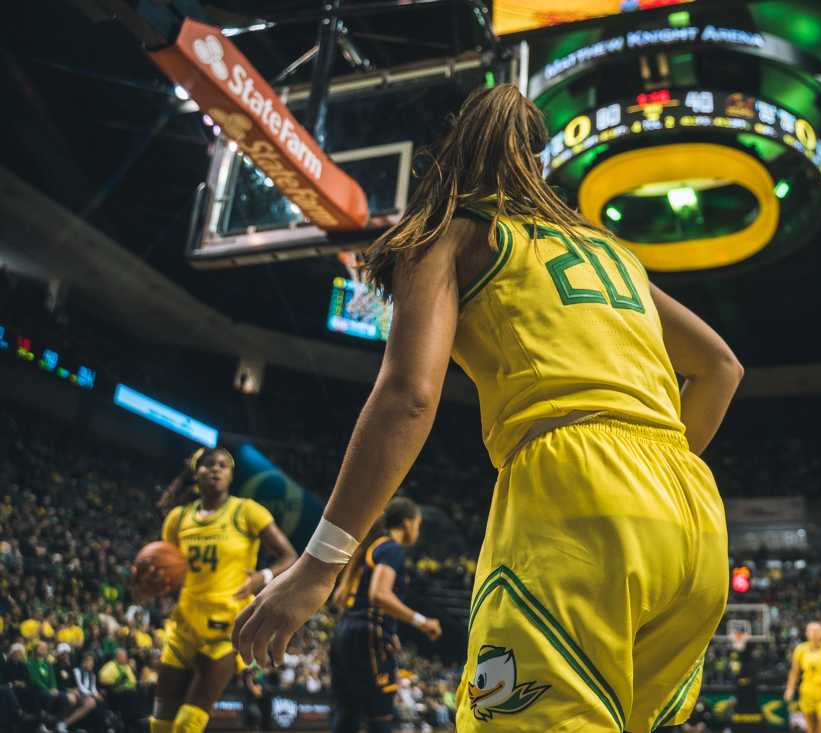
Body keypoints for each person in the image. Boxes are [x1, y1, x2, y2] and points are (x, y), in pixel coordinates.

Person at [233, 83, 742, 733]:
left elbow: (410, 395)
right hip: (691, 513)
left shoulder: (452, 232)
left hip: (580, 489)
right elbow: (721, 367)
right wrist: (650, 476)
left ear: (449, 155)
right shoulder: (615, 254)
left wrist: (318, 564)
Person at [131, 447, 297, 733]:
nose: (216, 469)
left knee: (187, 725)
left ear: (231, 475)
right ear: (197, 473)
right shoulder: (178, 519)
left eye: (223, 465)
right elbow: (167, 572)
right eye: (209, 465)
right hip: (183, 626)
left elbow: (289, 557)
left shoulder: (246, 511)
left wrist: (262, 577)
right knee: (160, 724)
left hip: (225, 629)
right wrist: (149, 586)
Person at [329, 498, 441, 733]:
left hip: (345, 631)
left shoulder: (372, 546)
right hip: (366, 633)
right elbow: (379, 595)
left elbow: (345, 598)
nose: (417, 531)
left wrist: (387, 629)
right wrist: (422, 622)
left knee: (348, 713)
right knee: (379, 716)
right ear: (408, 524)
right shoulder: (392, 548)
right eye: (418, 525)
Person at [784, 622, 821, 733]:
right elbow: (794, 672)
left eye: (817, 631)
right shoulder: (800, 650)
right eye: (811, 631)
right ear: (806, 633)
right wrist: (790, 688)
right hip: (807, 691)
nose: (814, 634)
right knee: (811, 728)